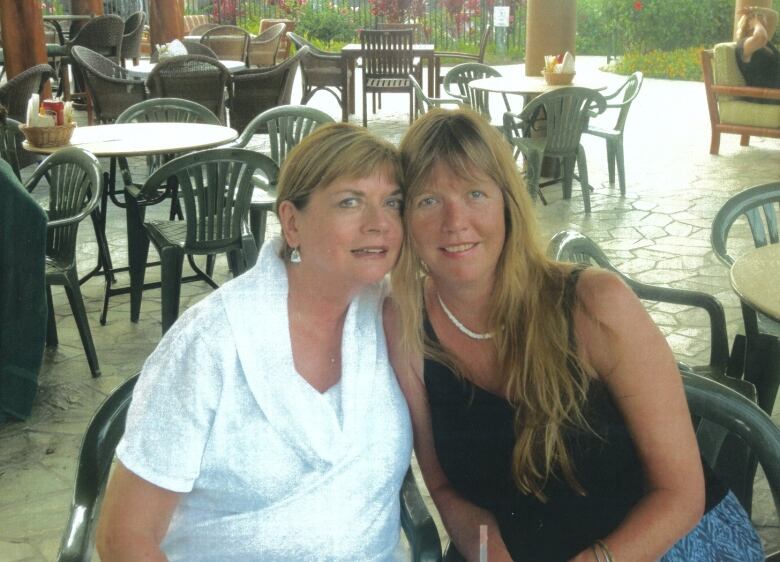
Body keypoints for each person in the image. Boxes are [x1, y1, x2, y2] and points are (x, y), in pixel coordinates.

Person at [385, 108, 764, 562]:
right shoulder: (405, 321)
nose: (455, 221)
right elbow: (444, 487)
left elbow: (681, 493)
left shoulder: (594, 304)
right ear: (404, 215)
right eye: (428, 201)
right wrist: (486, 548)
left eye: (475, 193)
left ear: (507, 202)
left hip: (661, 543)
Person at [96, 123, 412, 561]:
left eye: (392, 203)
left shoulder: (392, 319)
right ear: (292, 222)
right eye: (350, 202)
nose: (378, 224)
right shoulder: (210, 342)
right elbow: (124, 537)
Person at [735, 5, 780, 100]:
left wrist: (754, 9)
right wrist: (756, 23)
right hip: (764, 96)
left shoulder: (765, 43)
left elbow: (774, 16)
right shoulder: (743, 45)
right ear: (748, 25)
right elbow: (760, 37)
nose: (765, 21)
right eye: (761, 19)